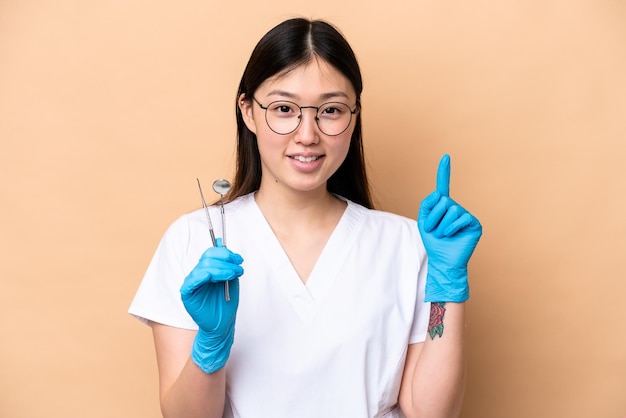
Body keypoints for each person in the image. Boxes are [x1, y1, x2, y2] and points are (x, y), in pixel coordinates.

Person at [129, 17, 482, 418]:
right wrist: (210, 347)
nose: (307, 134)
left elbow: (430, 413)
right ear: (248, 111)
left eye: (330, 110)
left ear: (355, 115)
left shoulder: (406, 244)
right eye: (283, 108)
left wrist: (447, 287)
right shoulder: (192, 240)